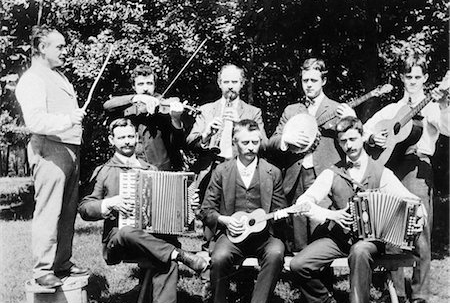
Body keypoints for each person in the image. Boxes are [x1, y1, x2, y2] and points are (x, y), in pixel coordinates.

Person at [289, 116, 424, 303]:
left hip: (370, 242)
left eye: (353, 139)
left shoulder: (382, 172)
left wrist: (420, 215)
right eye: (343, 141)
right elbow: (304, 203)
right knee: (298, 264)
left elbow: (411, 200)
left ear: (362, 138)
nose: (349, 145)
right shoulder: (333, 172)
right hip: (339, 238)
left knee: (360, 251)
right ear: (339, 144)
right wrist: (330, 214)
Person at [78, 118, 208, 303]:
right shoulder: (104, 171)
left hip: (152, 242)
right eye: (122, 137)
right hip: (118, 244)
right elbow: (84, 208)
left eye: (130, 136)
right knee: (128, 231)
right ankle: (180, 255)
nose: (127, 141)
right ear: (112, 140)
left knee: (167, 253)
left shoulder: (150, 169)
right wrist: (110, 203)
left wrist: (189, 202)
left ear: (136, 138)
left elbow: (171, 205)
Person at [364, 56, 449, 303]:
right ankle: (396, 292)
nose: (412, 81)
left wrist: (444, 103)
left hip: (417, 166)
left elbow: (447, 128)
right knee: (392, 227)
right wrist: (373, 138)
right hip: (392, 167)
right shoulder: (392, 109)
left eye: (417, 77)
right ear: (402, 78)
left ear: (425, 78)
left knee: (420, 226)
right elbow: (366, 129)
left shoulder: (433, 105)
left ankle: (420, 295)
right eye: (408, 76)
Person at [15, 25, 89, 289]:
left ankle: (62, 263)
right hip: (49, 149)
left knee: (68, 211)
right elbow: (35, 121)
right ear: (42, 47)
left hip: (69, 149)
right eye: (60, 46)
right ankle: (43, 270)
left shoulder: (57, 75)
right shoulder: (33, 79)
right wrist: (69, 119)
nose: (65, 51)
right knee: (49, 210)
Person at [199, 119, 286, 303]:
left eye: (255, 142)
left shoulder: (272, 172)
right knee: (219, 257)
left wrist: (278, 216)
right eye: (245, 142)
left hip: (264, 236)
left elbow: (280, 208)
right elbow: (206, 210)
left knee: (276, 253)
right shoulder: (221, 171)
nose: (250, 147)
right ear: (235, 142)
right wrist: (225, 220)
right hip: (231, 234)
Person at [268, 58, 356, 253]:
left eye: (314, 80)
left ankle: (323, 280)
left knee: (322, 230)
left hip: (323, 176)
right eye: (305, 80)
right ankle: (301, 280)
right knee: (298, 231)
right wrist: (286, 139)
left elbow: (355, 140)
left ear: (323, 81)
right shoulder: (292, 111)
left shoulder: (337, 109)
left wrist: (352, 118)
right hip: (296, 176)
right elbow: (271, 141)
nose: (308, 84)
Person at [187, 64, 268, 200]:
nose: (230, 86)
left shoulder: (253, 112)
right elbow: (189, 142)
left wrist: (241, 124)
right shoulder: (206, 110)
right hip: (210, 172)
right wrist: (206, 135)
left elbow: (265, 145)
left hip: (240, 171)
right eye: (226, 82)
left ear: (242, 84)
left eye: (234, 82)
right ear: (219, 83)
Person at [103, 65, 186, 171]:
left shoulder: (164, 107)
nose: (145, 88)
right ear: (134, 87)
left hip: (160, 169)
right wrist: (138, 97)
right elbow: (107, 105)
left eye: (149, 83)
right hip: (131, 168)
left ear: (154, 85)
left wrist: (176, 119)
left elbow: (179, 143)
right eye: (141, 84)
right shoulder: (129, 106)